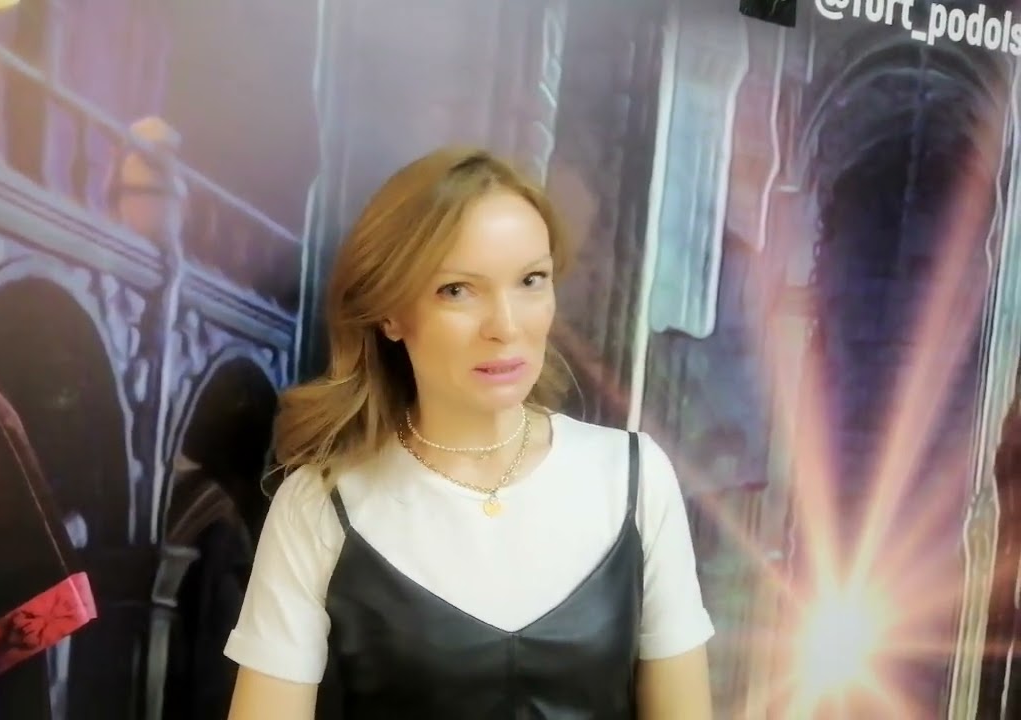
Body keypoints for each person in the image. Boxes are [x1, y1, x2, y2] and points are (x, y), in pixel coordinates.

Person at [223, 147, 715, 719]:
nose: (506, 326)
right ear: (390, 313)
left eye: (531, 280)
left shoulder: (634, 476)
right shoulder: (318, 506)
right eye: (457, 289)